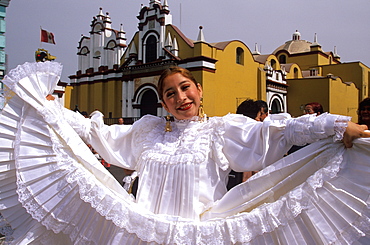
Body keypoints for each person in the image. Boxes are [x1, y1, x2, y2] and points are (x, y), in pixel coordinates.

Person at [0, 62, 369, 244]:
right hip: (142, 234)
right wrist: (49, 110)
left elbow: (276, 131)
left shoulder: (221, 130)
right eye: (170, 94)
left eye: (186, 88)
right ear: (163, 103)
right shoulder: (146, 132)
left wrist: (336, 127)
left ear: (200, 90)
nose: (181, 98)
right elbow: (94, 132)